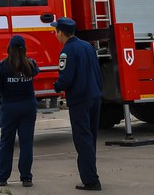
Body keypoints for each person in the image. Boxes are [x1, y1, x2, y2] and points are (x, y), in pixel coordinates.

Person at [53, 18, 103, 192]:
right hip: (95, 96)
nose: (55, 34)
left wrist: (56, 86)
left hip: (80, 100)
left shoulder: (66, 51)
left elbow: (65, 79)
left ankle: (90, 180)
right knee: (90, 139)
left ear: (61, 32)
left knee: (82, 140)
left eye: (56, 31)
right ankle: (92, 173)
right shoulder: (88, 47)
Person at [0, 34, 40, 190]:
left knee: (7, 143)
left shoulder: (2, 66)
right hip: (28, 107)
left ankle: (2, 178)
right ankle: (26, 178)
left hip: (9, 108)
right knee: (26, 144)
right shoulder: (31, 65)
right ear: (24, 49)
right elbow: (36, 73)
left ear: (9, 49)